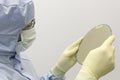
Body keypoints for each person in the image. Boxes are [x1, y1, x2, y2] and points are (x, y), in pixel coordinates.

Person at [0, 0, 115, 80]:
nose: (32, 28)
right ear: (8, 33)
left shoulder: (14, 56)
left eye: (33, 22)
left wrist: (56, 72)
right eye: (28, 26)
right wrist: (88, 75)